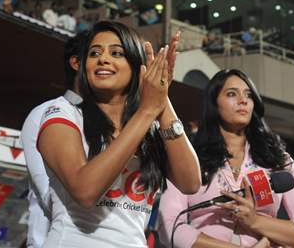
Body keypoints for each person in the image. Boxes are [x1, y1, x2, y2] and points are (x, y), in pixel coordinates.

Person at [37, 21, 201, 247]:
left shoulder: (148, 126)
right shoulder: (62, 115)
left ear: (137, 66)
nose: (103, 59)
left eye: (116, 53)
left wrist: (162, 96)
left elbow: (190, 182)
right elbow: (85, 191)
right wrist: (147, 110)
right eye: (94, 53)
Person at [158, 68, 294, 248]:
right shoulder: (190, 157)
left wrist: (255, 221)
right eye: (232, 94)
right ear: (214, 103)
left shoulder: (277, 159)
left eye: (249, 95)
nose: (243, 100)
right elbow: (169, 226)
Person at [20, 34, 84, 248]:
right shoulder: (43, 114)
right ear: (76, 62)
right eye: (96, 53)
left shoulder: (113, 121)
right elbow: (49, 200)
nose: (107, 62)